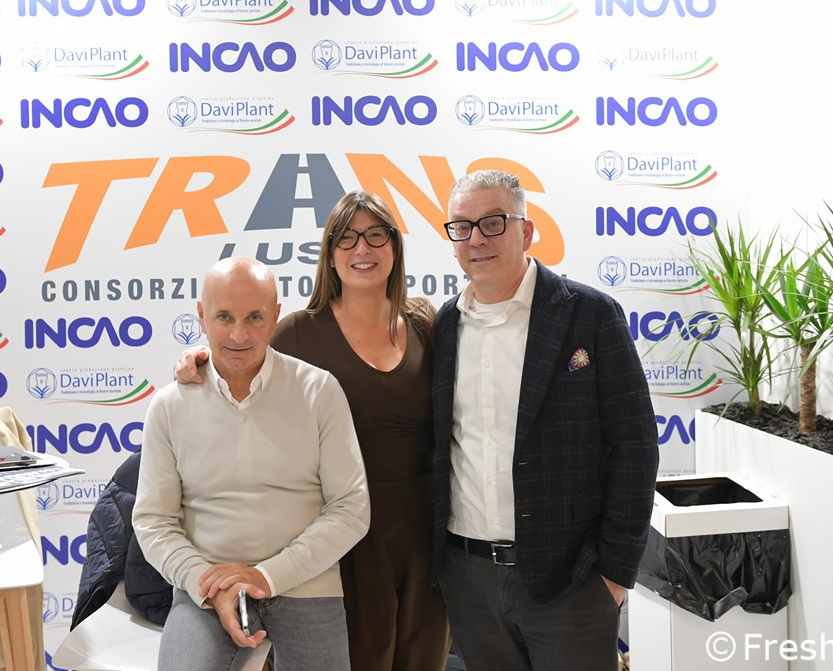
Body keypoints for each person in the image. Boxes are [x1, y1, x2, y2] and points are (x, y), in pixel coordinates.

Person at [177, 191, 451, 671]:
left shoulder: (427, 323)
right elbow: (240, 364)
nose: (362, 248)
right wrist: (196, 358)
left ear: (395, 246)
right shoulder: (298, 333)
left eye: (375, 235)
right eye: (347, 238)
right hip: (342, 535)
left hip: (427, 531)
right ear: (329, 253)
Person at [431, 169, 659, 671]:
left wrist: (615, 573)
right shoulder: (443, 326)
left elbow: (636, 445)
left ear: (527, 231)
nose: (477, 239)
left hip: (571, 579)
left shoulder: (590, 315)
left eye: (493, 222)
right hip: (468, 579)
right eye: (462, 227)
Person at [134, 256, 371, 671]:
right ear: (202, 316)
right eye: (224, 317)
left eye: (255, 317)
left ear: (275, 316)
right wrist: (208, 585)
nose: (239, 334)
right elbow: (154, 520)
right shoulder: (170, 406)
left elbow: (351, 509)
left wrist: (267, 575)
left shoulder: (319, 391)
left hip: (305, 584)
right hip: (206, 590)